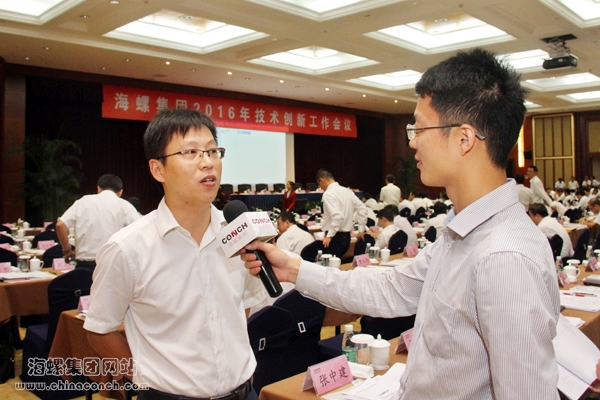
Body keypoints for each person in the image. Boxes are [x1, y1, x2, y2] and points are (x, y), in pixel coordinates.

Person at [241, 48, 560, 399]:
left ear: (464, 139)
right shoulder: (462, 232)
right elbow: (391, 289)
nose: (412, 141)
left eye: (420, 128)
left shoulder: (504, 256)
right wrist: (293, 269)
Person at [84, 109, 265, 400]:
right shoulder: (127, 248)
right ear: (158, 170)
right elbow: (99, 330)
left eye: (213, 151)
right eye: (191, 152)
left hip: (245, 393)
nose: (207, 162)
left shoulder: (238, 235)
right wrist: (144, 375)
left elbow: (241, 309)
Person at [56, 174, 141, 269]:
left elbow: (60, 225)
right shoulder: (124, 205)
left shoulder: (83, 201)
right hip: (112, 264)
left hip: (84, 264)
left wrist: (67, 250)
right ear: (120, 192)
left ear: (98, 189)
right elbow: (141, 229)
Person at [300, 169, 368, 260]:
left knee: (307, 253)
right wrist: (361, 229)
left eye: (319, 184)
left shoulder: (328, 194)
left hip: (335, 238)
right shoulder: (348, 191)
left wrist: (329, 236)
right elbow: (363, 209)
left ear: (322, 180)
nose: (320, 188)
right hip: (346, 238)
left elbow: (337, 216)